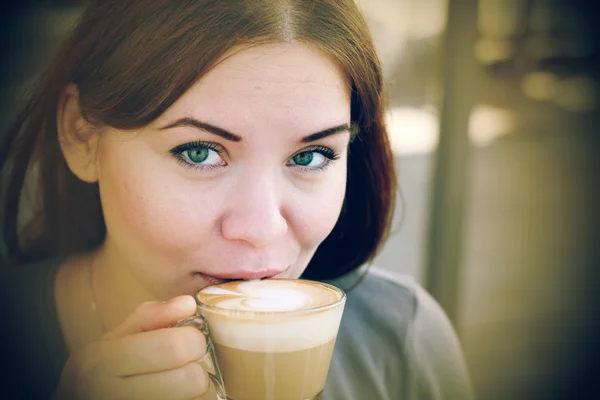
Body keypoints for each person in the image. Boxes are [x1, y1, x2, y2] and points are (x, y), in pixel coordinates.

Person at [0, 0, 473, 399]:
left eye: (310, 157)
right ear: (82, 135)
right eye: (199, 152)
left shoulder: (401, 341)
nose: (262, 228)